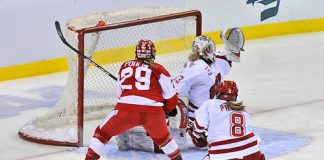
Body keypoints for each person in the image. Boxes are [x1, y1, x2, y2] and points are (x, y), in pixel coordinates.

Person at [85, 39, 182, 160]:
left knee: (102, 133)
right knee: (165, 140)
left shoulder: (125, 66)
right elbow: (172, 98)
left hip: (126, 110)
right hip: (154, 113)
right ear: (153, 53)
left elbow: (120, 95)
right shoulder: (159, 69)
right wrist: (166, 110)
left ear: (136, 53)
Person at [187, 81, 266, 160]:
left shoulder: (210, 104)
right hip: (252, 150)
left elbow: (198, 126)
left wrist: (195, 134)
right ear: (235, 96)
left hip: (222, 152)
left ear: (218, 93)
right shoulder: (243, 111)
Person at [172, 35, 217, 133]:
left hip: (201, 115)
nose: (212, 52)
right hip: (196, 117)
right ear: (201, 51)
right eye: (209, 49)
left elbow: (177, 84)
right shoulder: (199, 66)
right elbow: (178, 87)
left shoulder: (197, 64)